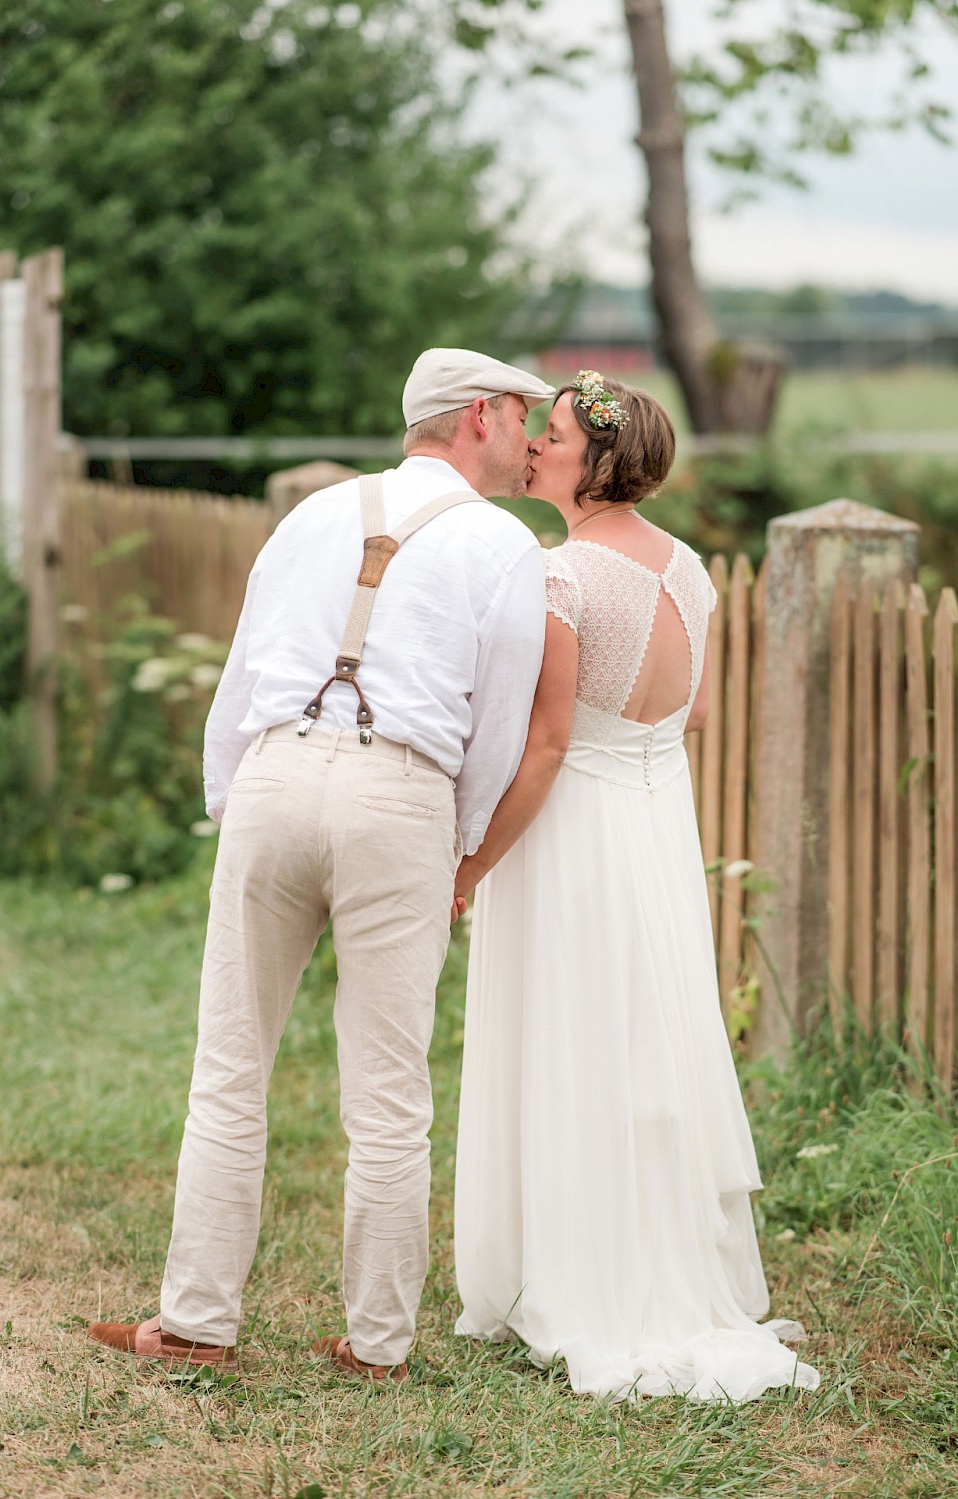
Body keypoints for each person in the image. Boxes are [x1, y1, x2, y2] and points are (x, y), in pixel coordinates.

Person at [88, 347, 555, 1383]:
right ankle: (378, 1343)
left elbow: (244, 667)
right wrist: (457, 851)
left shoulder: (313, 513)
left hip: (272, 773)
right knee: (388, 1090)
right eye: (522, 416)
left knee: (229, 1062)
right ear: (478, 416)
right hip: (402, 793)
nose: (530, 437)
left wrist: (233, 798)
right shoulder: (501, 545)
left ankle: (197, 1317)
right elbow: (496, 726)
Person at [452, 371, 821, 1403]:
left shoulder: (560, 575)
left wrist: (471, 863)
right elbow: (686, 716)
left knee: (569, 1034)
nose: (536, 446)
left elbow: (549, 744)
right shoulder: (691, 570)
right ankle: (651, 1256)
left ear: (600, 460)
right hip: (656, 829)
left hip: (572, 834)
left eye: (555, 434)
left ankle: (572, 1272)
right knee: (642, 1041)